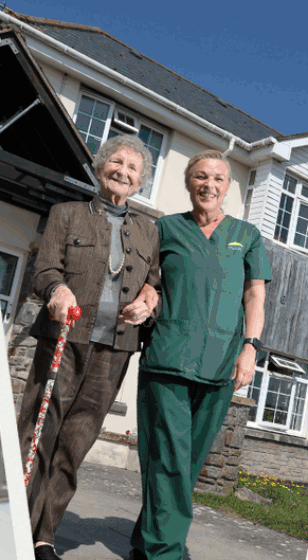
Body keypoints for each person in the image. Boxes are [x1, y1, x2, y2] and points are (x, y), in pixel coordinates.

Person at [18, 134, 162, 560]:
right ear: (101, 168)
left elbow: (154, 282)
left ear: (140, 183)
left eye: (133, 168)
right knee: (38, 433)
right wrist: (59, 290)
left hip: (114, 351)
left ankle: (45, 535)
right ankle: (17, 524)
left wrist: (148, 301)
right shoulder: (67, 214)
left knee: (76, 442)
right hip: (64, 339)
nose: (123, 171)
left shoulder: (148, 230)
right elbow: (45, 269)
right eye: (116, 162)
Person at [129, 151, 267, 560]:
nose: (209, 184)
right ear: (189, 183)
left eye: (219, 178)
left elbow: (255, 293)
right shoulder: (165, 228)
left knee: (187, 465)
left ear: (229, 187)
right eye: (200, 177)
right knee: (168, 456)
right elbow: (149, 283)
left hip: (223, 364)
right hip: (168, 358)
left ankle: (145, 539)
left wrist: (250, 348)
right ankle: (165, 552)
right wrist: (145, 302)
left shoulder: (248, 234)